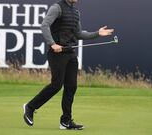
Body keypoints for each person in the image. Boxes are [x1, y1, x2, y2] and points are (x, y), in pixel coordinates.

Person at [23, 0, 114, 130]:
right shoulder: (57, 8)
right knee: (56, 85)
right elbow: (44, 25)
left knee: (71, 86)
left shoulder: (75, 12)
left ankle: (65, 121)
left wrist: (97, 33)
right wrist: (52, 44)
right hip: (57, 53)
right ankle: (30, 107)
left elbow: (78, 34)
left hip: (70, 53)